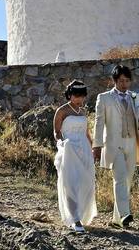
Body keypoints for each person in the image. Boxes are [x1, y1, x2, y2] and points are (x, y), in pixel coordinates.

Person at [91, 64, 139, 228]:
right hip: (113, 144)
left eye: (127, 81)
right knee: (119, 178)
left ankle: (116, 219)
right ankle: (125, 214)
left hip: (131, 142)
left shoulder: (135, 97)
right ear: (114, 80)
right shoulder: (104, 98)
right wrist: (96, 146)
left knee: (127, 180)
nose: (124, 84)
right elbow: (99, 123)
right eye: (121, 81)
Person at [53, 79, 97, 233]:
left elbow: (87, 132)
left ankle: (82, 214)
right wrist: (62, 143)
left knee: (85, 183)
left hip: (84, 150)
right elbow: (56, 132)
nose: (79, 99)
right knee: (70, 183)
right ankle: (74, 218)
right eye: (76, 96)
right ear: (69, 95)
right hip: (69, 149)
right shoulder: (62, 111)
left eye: (81, 96)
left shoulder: (83, 112)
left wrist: (93, 148)